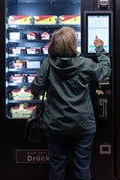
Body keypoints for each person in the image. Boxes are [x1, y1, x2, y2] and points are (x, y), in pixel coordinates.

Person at [31, 26, 111, 180]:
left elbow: (36, 89)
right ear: (73, 44)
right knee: (82, 167)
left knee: (56, 166)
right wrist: (99, 48)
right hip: (83, 125)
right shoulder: (85, 63)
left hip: (55, 125)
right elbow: (104, 71)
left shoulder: (48, 64)